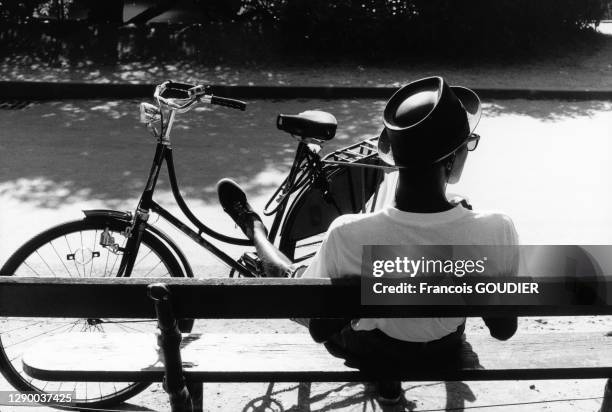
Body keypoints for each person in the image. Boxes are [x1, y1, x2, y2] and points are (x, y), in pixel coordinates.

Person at [216, 76, 519, 404]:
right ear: (452, 157)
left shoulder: (349, 233)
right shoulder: (496, 229)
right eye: (468, 143)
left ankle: (254, 228)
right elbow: (503, 329)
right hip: (442, 350)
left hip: (372, 352)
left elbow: (320, 329)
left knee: (294, 283)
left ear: (396, 158)